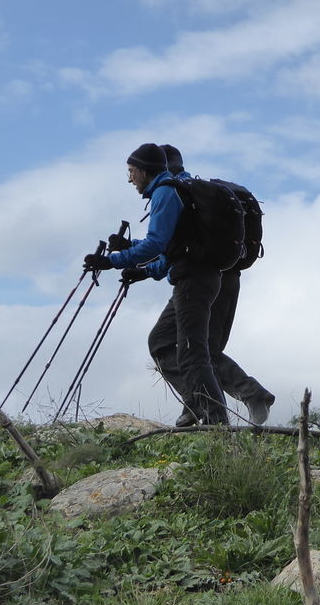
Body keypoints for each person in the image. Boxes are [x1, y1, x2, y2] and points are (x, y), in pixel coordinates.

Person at [83, 143, 228, 426]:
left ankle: (217, 423)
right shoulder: (173, 190)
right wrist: (133, 254)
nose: (130, 178)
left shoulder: (166, 191)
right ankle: (198, 405)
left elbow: (156, 244)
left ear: (145, 171)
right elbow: (171, 246)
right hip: (194, 277)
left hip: (194, 280)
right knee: (161, 341)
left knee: (192, 352)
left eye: (132, 171)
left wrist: (114, 260)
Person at [157, 144, 275, 426]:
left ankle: (233, 400)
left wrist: (130, 262)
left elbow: (166, 246)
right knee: (175, 345)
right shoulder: (201, 192)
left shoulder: (178, 193)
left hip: (206, 279)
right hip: (227, 277)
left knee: (195, 351)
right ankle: (198, 402)